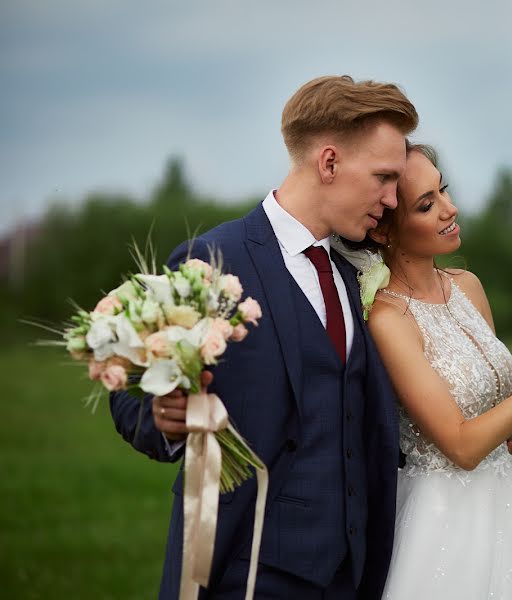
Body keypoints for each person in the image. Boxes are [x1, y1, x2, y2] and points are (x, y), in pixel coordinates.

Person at [109, 75, 418, 599]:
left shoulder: (353, 270)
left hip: (354, 573)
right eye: (384, 178)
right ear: (329, 163)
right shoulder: (213, 260)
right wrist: (163, 415)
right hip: (243, 571)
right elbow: (131, 385)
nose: (392, 199)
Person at [358, 144, 512, 599]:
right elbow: (463, 446)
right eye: (427, 205)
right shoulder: (389, 321)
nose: (450, 207)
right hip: (443, 523)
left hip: (506, 507)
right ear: (386, 230)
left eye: (443, 190)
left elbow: (509, 419)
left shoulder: (468, 287)